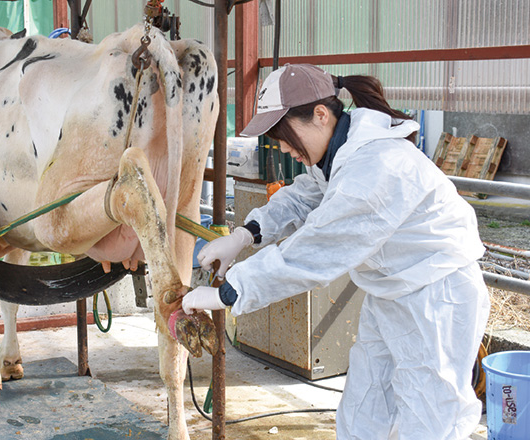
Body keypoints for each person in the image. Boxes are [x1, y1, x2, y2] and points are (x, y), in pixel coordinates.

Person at [182, 64, 490, 439]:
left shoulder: (375, 164)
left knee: (428, 418)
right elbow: (303, 196)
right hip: (391, 291)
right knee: (365, 405)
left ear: (320, 115)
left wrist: (229, 291)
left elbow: (315, 250)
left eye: (281, 133)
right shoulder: (340, 153)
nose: (279, 145)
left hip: (435, 296)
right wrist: (246, 233)